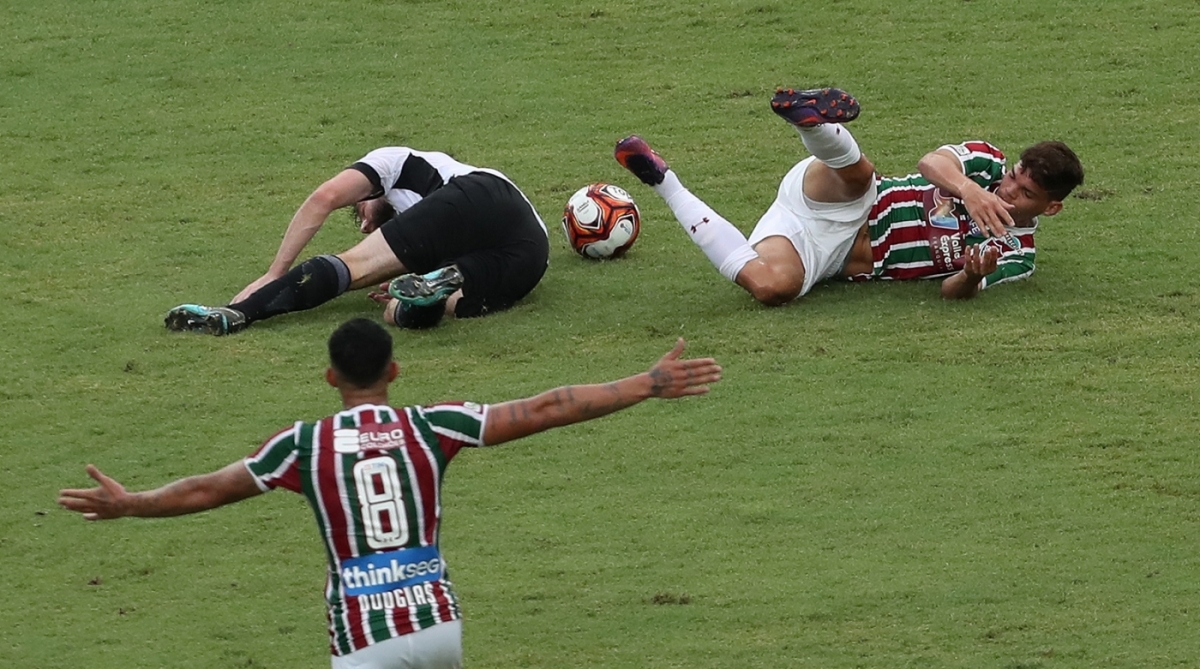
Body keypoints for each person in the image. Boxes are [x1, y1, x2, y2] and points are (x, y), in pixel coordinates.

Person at [59, 318, 721, 669]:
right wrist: (645, 383)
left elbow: (207, 490)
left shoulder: (302, 444)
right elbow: (547, 406)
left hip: (364, 638)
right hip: (437, 623)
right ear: (395, 370)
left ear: (329, 376)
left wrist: (131, 502)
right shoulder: (433, 425)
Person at [614, 87, 1084, 304]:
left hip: (830, 255)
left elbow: (951, 292)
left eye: (1025, 192)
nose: (1008, 189)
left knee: (772, 289)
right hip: (845, 200)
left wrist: (968, 273)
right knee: (861, 178)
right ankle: (810, 121)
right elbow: (930, 164)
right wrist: (967, 190)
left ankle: (662, 181)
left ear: (1052, 206)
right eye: (1015, 175)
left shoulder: (1017, 255)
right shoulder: (985, 163)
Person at [165, 147, 550, 335]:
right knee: (404, 310)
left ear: (369, 195)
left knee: (354, 265)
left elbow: (323, 199)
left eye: (360, 214)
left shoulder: (392, 162)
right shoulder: (428, 226)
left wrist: (274, 272)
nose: (365, 226)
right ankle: (428, 293)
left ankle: (241, 313)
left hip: (480, 195)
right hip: (531, 254)